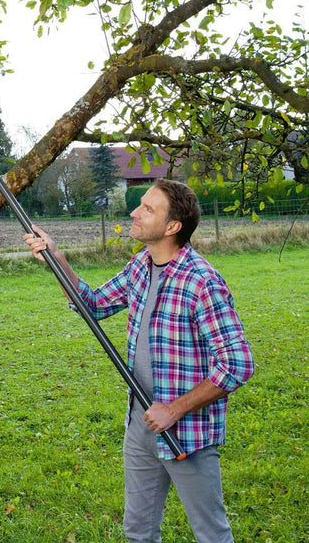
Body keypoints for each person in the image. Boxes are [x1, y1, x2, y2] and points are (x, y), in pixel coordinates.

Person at [23, 178, 254, 543]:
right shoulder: (140, 266)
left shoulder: (201, 282)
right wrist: (56, 255)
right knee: (138, 532)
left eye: (147, 208)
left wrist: (174, 410)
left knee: (211, 534)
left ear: (172, 227)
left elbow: (237, 364)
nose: (134, 212)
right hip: (140, 425)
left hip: (187, 436)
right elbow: (93, 304)